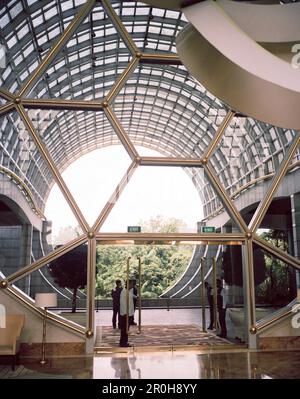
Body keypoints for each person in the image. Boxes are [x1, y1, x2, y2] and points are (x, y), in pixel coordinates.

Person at [119, 279, 135, 347]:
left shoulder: (128, 291)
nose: (133, 285)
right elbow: (122, 303)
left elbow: (131, 295)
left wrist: (136, 297)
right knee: (124, 329)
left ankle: (125, 341)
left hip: (128, 313)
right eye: (132, 284)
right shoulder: (124, 292)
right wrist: (125, 313)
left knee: (126, 329)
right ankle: (123, 343)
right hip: (125, 314)